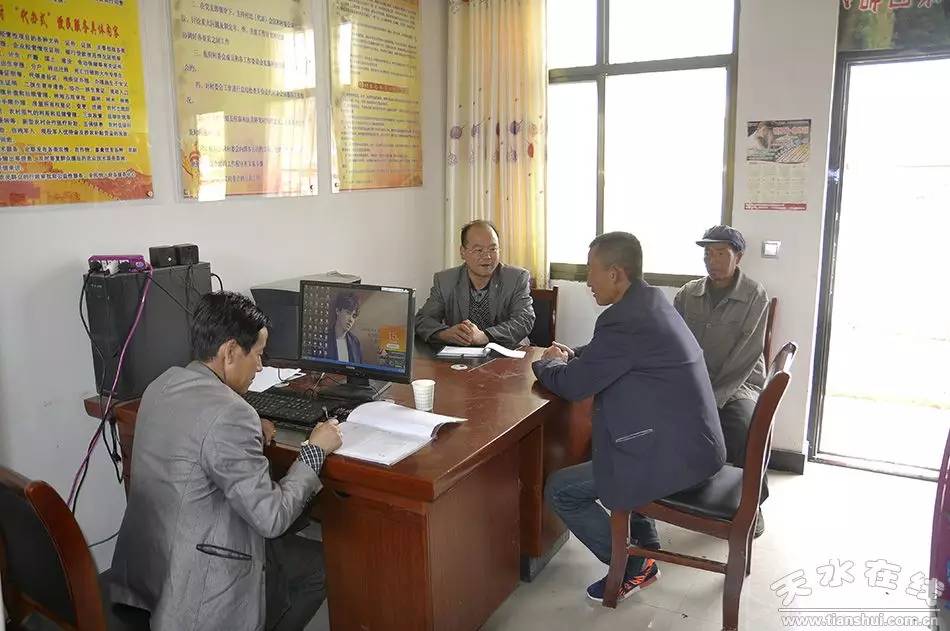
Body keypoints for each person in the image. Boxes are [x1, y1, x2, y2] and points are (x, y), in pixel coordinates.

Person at [108, 292, 344, 631]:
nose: (261, 366)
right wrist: (314, 450)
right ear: (230, 351)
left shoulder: (161, 384)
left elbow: (201, 433)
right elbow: (272, 518)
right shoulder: (232, 415)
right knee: (322, 565)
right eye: (259, 354)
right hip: (198, 595)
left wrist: (250, 421)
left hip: (149, 573)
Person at [535, 232, 726, 604]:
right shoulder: (649, 301)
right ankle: (645, 542)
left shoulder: (625, 320)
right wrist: (573, 353)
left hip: (674, 456)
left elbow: (575, 386)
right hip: (694, 442)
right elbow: (609, 354)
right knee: (608, 440)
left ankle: (634, 565)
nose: (587, 281)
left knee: (561, 489)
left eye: (591, 271)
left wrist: (547, 364)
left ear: (616, 273)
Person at [673, 225, 771, 537]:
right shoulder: (688, 294)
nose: (712, 261)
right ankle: (684, 489)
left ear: (738, 257)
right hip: (695, 382)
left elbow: (745, 358)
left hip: (739, 383)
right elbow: (672, 341)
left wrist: (711, 400)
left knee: (744, 426)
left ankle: (751, 506)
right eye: (707, 254)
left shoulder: (754, 296)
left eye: (720, 253)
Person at [415, 219, 535, 348]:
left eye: (493, 249)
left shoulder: (516, 278)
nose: (487, 256)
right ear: (462, 252)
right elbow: (422, 320)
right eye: (478, 250)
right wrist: (445, 334)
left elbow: (524, 320)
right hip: (461, 357)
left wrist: (486, 336)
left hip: (508, 354)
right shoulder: (445, 280)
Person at [325, 292, 363, 364]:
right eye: (348, 313)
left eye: (354, 316)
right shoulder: (324, 338)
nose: (351, 319)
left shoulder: (355, 342)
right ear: (338, 311)